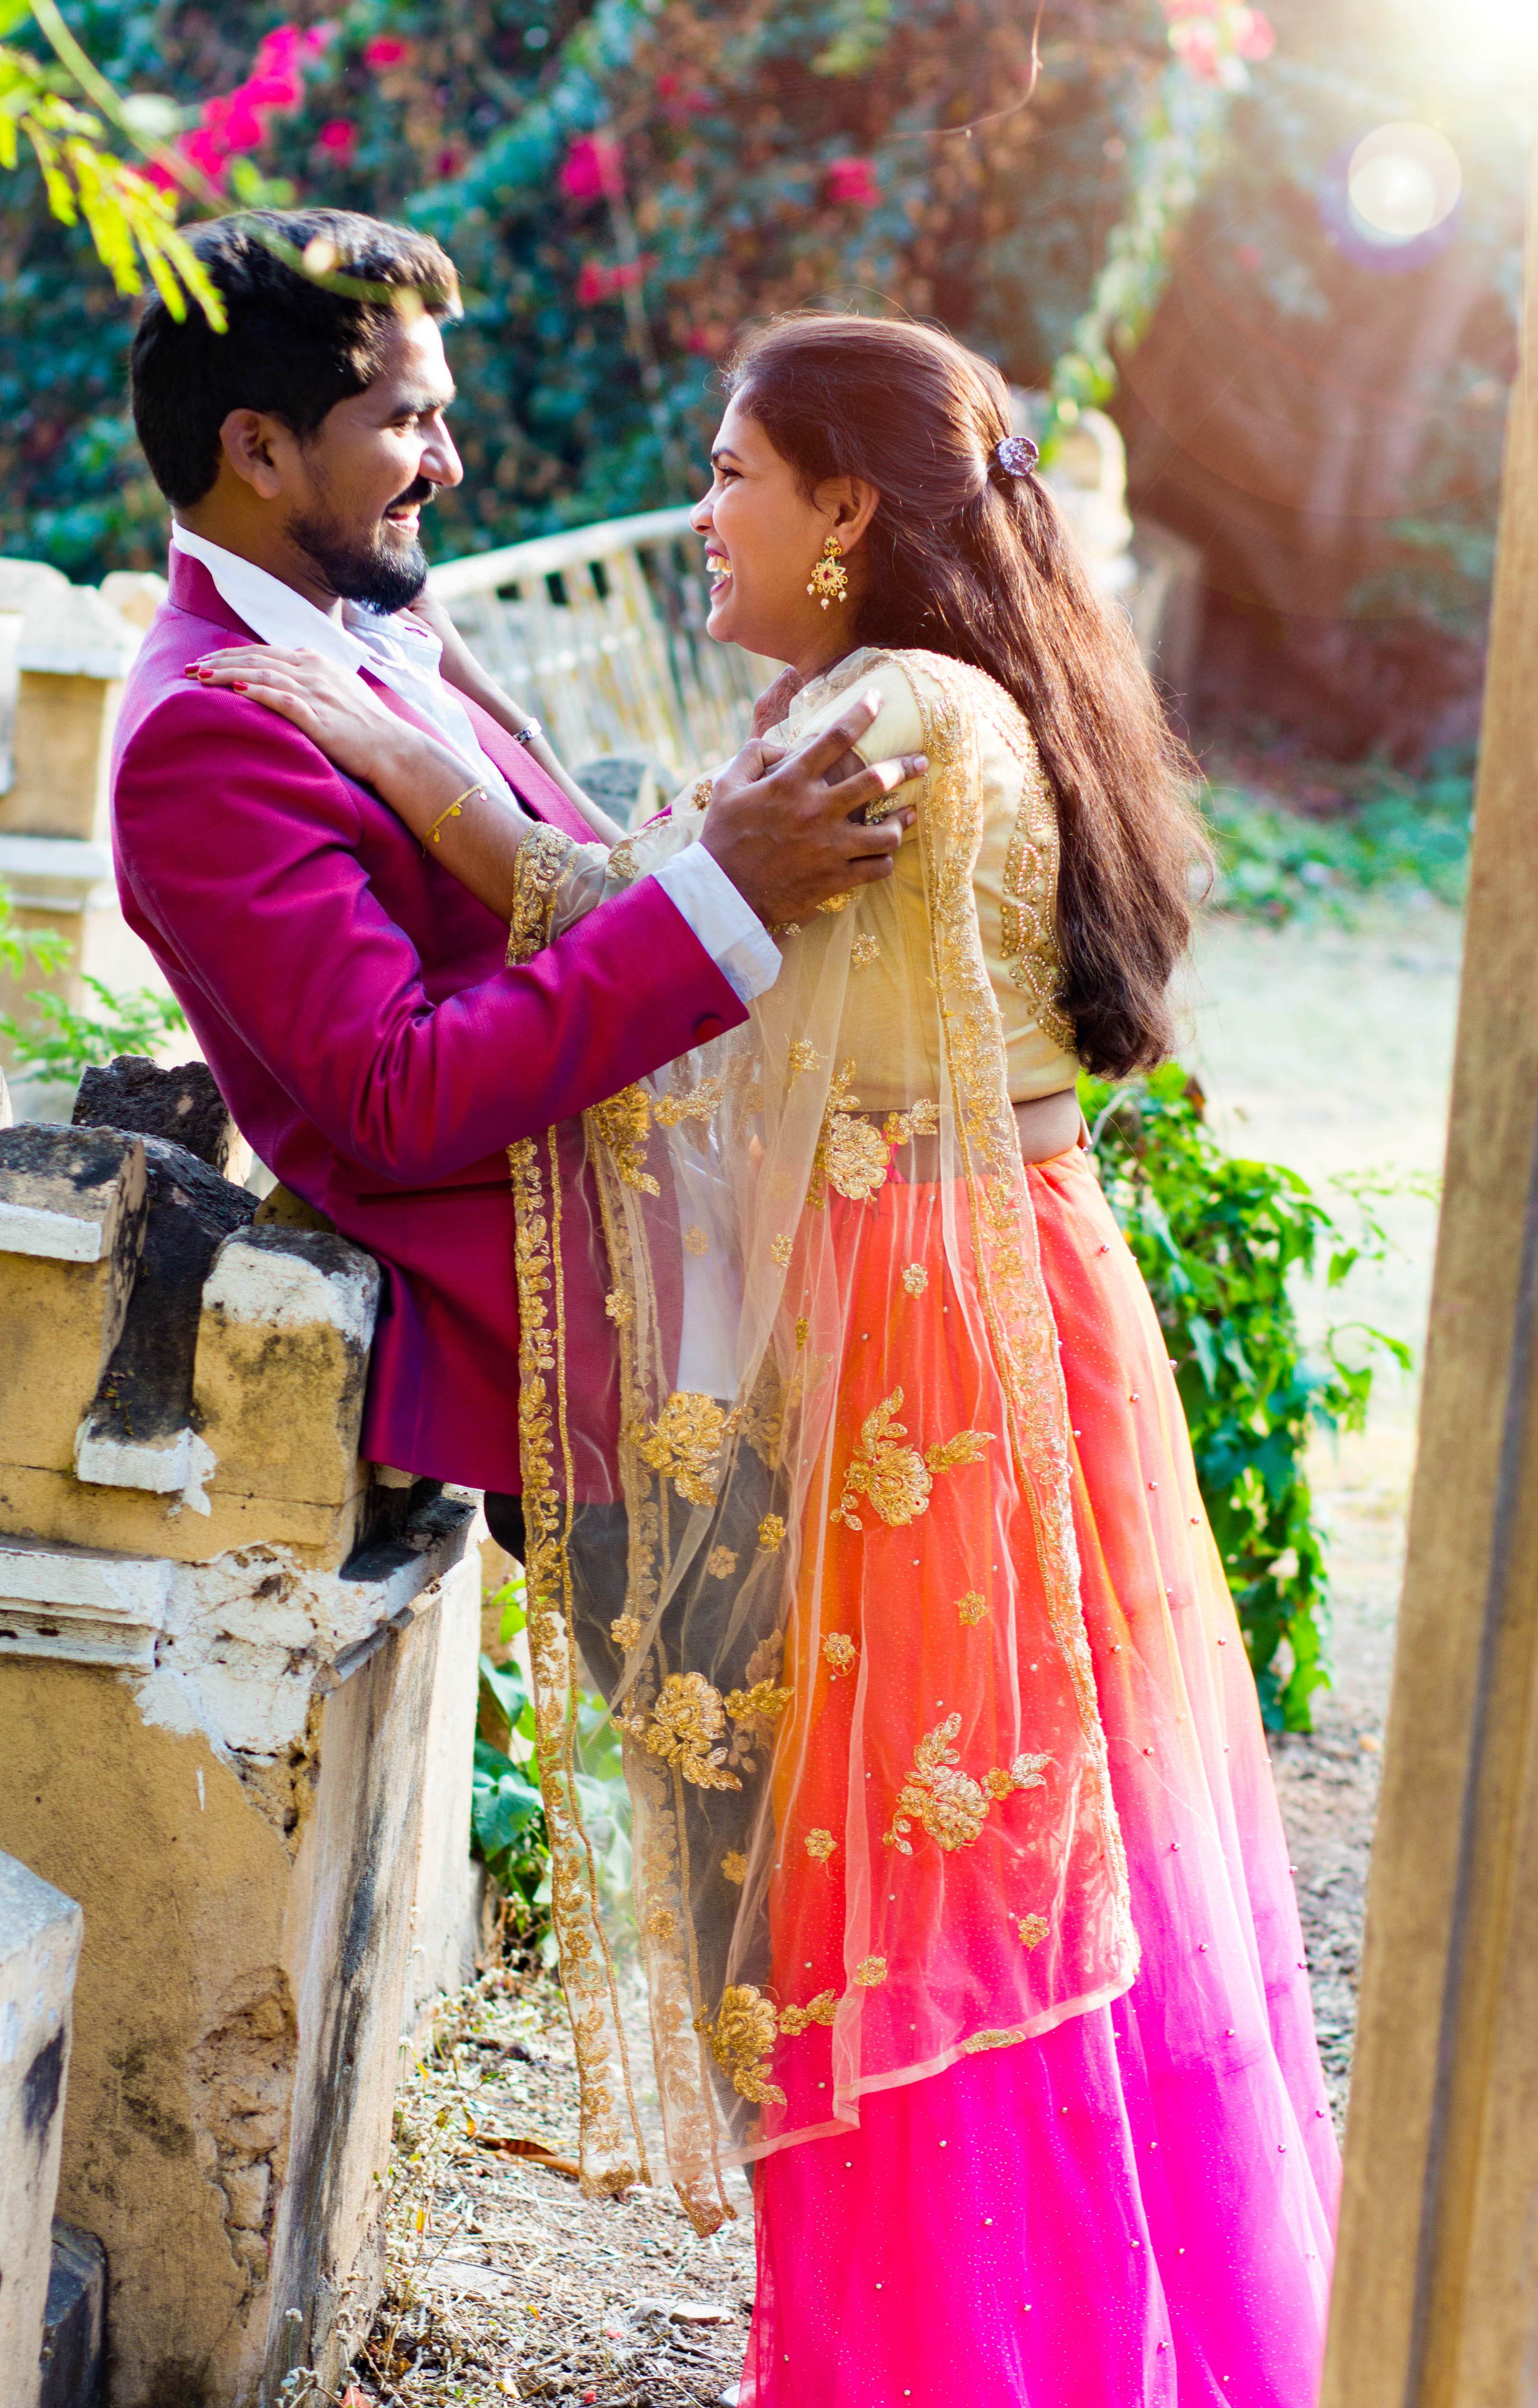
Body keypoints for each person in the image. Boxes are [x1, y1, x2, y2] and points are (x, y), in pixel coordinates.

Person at [193, 312, 1339, 2407]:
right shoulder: (932, 688)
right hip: (990, 1309)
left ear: (848, 512)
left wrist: (418, 770)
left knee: (910, 1919)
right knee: (1003, 1898)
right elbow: (701, 931)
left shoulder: (887, 721)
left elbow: (670, 978)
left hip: (936, 1351)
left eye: (733, 475)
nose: (703, 513)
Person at [112, 213, 924, 1504]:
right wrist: (728, 890)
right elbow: (398, 1095)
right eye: (406, 423)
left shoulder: (369, 624)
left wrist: (464, 684)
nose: (451, 463)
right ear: (257, 449)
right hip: (594, 1349)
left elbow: (551, 873)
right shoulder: (207, 731)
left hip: (738, 1282)